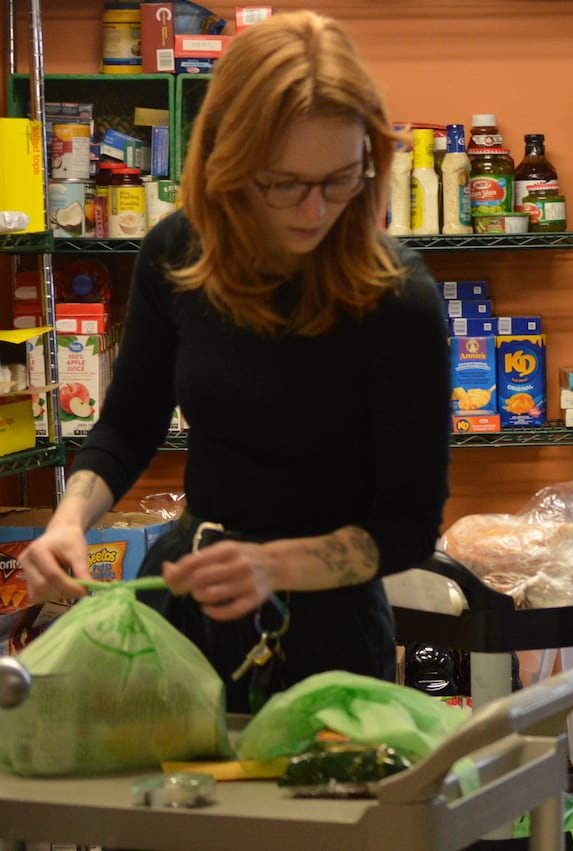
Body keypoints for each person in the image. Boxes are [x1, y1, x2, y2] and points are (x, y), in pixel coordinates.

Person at [20, 11, 452, 714]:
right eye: (284, 183)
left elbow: (405, 527)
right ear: (229, 162)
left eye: (341, 179)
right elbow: (128, 426)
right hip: (183, 610)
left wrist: (272, 565)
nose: (316, 210)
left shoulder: (396, 298)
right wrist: (69, 521)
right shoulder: (176, 255)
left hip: (328, 640)